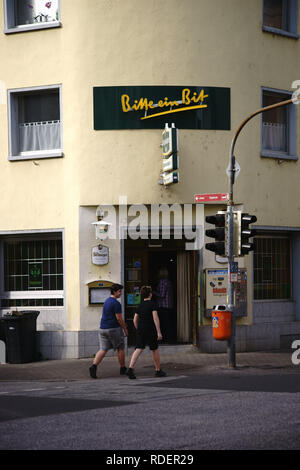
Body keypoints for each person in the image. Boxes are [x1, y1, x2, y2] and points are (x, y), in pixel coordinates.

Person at [127, 285, 167, 379]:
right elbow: (155, 318)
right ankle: (158, 370)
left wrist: (138, 328)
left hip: (141, 328)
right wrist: (159, 332)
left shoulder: (140, 305)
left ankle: (130, 368)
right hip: (151, 329)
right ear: (150, 294)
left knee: (139, 348)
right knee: (154, 349)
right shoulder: (153, 304)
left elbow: (134, 319)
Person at [89, 283, 128, 379]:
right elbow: (119, 318)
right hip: (113, 328)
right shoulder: (116, 303)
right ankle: (123, 368)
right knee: (120, 347)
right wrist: (125, 329)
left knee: (103, 349)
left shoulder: (106, 301)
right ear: (114, 292)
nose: (121, 293)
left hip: (103, 328)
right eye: (119, 291)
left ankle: (94, 366)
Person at [154, 267, 175, 343]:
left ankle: (165, 339)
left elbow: (162, 295)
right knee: (168, 323)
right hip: (169, 305)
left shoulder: (162, 282)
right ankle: (169, 339)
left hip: (163, 306)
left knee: (164, 323)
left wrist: (153, 292)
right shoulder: (169, 282)